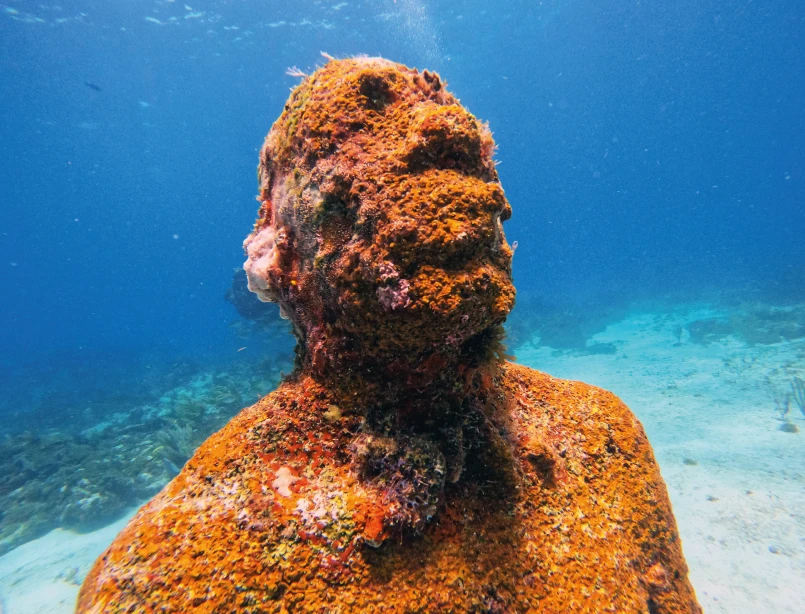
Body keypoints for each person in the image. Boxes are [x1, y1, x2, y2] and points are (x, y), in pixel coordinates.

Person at [78, 57, 700, 613]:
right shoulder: (165, 574)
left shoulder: (607, 442)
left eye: (460, 130)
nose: (449, 132)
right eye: (367, 115)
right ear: (278, 252)